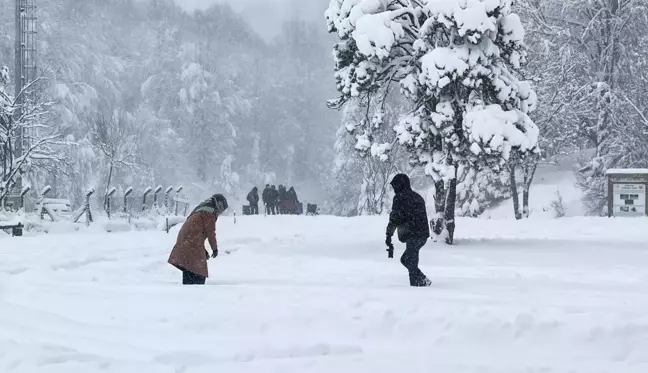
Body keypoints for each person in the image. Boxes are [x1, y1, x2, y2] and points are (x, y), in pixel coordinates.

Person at [168, 194, 228, 285]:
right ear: (218, 205)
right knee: (198, 272)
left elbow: (195, 233)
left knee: (189, 268)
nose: (220, 212)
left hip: (185, 240)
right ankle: (196, 293)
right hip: (191, 242)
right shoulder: (210, 213)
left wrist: (203, 250)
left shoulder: (202, 209)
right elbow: (211, 233)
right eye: (221, 208)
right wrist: (214, 249)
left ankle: (188, 289)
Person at [385, 174, 431, 287]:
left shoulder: (400, 198)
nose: (395, 189)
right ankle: (422, 280)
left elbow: (395, 218)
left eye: (395, 186)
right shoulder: (416, 196)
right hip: (422, 235)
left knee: (410, 260)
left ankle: (416, 286)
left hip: (413, 234)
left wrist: (388, 235)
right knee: (406, 259)